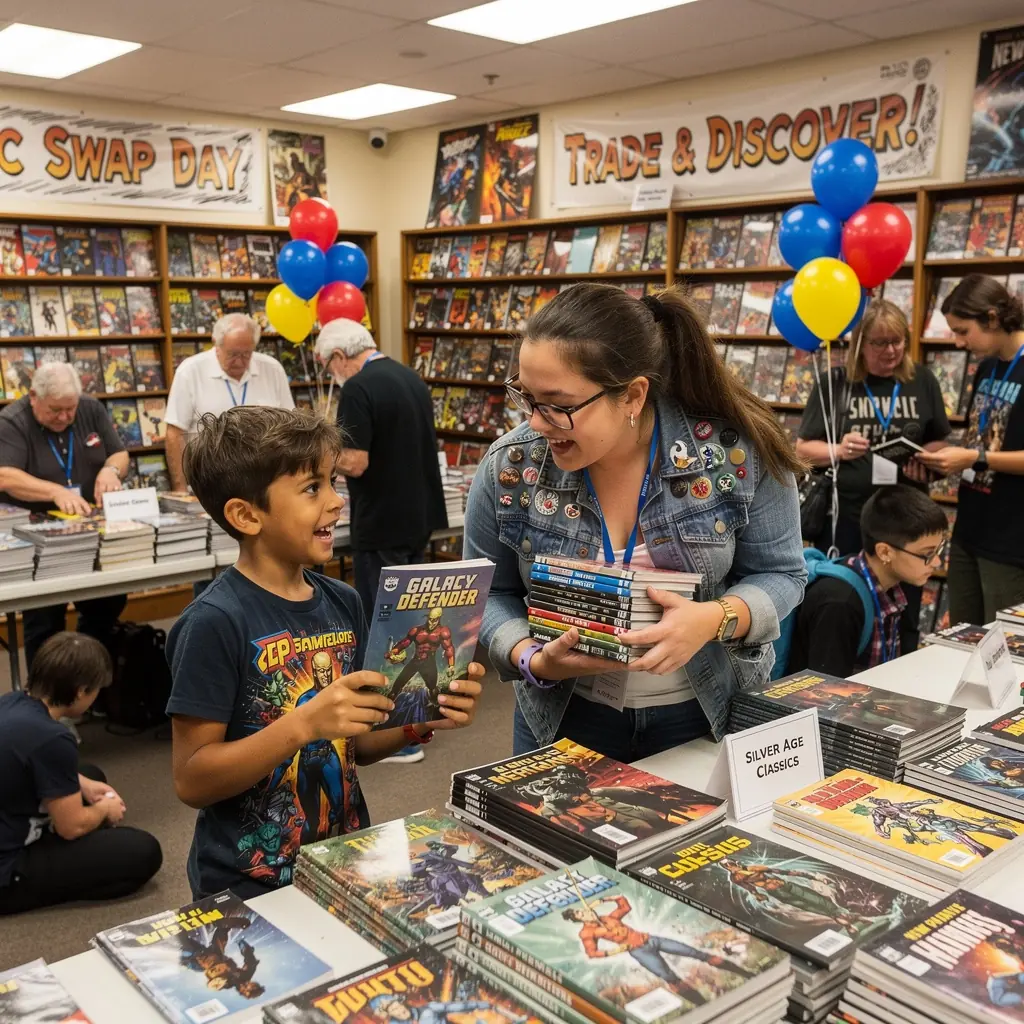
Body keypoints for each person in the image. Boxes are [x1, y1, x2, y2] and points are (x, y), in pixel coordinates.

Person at [464, 283, 806, 762]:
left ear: (632, 396)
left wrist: (714, 619)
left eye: (558, 405)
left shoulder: (735, 455)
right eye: (525, 396)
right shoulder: (511, 467)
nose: (537, 422)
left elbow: (783, 574)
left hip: (706, 715)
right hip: (564, 717)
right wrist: (531, 657)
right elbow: (486, 592)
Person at [165, 406, 484, 900]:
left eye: (333, 481)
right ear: (246, 515)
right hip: (247, 880)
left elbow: (358, 742)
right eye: (313, 488)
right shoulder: (214, 622)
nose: (337, 501)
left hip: (344, 861)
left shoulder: (343, 600)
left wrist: (423, 721)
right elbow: (193, 779)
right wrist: (303, 725)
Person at [316, 320, 447, 763]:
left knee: (383, 628)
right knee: (409, 628)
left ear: (338, 357)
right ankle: (415, 716)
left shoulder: (357, 388)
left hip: (382, 520)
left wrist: (318, 450)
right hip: (419, 515)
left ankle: (391, 730)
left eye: (326, 364)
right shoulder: (409, 376)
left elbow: (355, 461)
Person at [796, 299, 950, 649]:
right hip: (847, 518)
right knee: (844, 602)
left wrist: (927, 460)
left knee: (905, 609)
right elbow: (802, 448)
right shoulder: (834, 383)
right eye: (880, 343)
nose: (892, 350)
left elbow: (940, 441)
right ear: (860, 346)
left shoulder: (922, 380)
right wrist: (838, 449)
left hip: (907, 523)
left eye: (898, 341)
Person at [0, 632, 162, 915]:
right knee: (142, 851)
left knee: (90, 774)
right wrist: (104, 810)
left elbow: (23, 758)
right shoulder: (53, 738)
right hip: (7, 870)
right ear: (80, 691)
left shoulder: (11, 702)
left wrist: (83, 783)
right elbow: (71, 827)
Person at [0, 362, 129, 666]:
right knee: (44, 621)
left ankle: (95, 686)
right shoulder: (12, 421)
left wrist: (111, 470)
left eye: (70, 409)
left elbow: (119, 452)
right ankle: (44, 701)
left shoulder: (91, 408)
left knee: (108, 602)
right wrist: (55, 492)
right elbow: (5, 475)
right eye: (55, 410)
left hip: (90, 530)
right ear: (33, 396)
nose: (65, 417)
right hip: (38, 541)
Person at [919, 274, 1024, 624]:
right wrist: (943, 460)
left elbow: (982, 453)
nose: (959, 343)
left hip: (1010, 539)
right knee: (964, 636)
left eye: (963, 331)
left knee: (1006, 647)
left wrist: (975, 458)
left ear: (992, 318)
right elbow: (979, 438)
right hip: (970, 526)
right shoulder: (987, 367)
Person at [786, 485, 948, 678]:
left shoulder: (893, 585)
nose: (937, 562)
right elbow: (824, 694)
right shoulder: (840, 604)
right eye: (927, 554)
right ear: (885, 552)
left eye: (938, 550)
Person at [165, 313, 293, 493]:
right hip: (210, 483)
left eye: (246, 354)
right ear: (216, 343)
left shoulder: (272, 369)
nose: (240, 361)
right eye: (232, 354)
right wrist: (180, 488)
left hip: (266, 482)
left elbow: (290, 427)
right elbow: (174, 433)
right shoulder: (190, 371)